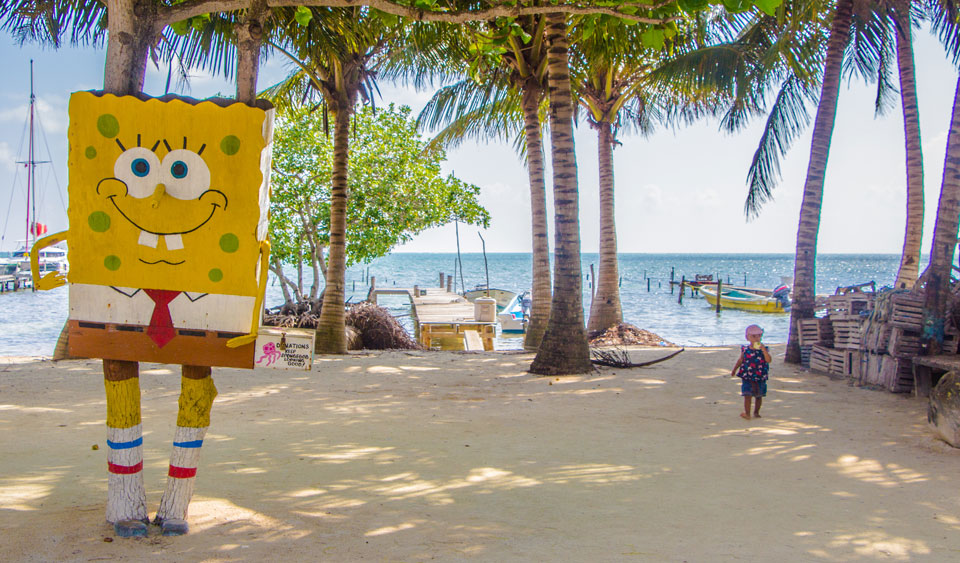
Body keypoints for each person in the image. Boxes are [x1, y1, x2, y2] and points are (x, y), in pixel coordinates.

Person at [731, 324, 771, 420]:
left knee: (759, 395)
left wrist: (764, 350)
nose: (757, 339)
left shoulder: (764, 349)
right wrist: (734, 369)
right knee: (747, 395)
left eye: (759, 336)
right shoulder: (745, 349)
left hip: (760, 375)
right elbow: (741, 360)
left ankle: (756, 412)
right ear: (747, 337)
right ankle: (747, 413)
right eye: (753, 336)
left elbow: (768, 360)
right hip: (747, 375)